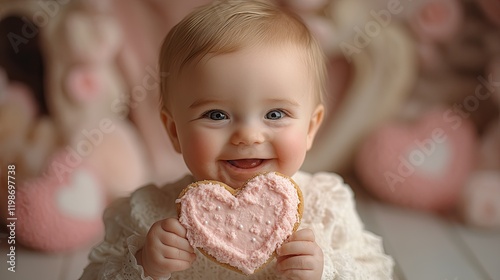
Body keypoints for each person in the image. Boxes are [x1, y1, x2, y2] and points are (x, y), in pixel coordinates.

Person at [80, 0, 394, 279]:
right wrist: (144, 264)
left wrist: (327, 270)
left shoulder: (325, 205)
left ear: (310, 129)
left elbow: (379, 271)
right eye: (216, 115)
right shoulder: (148, 213)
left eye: (274, 114)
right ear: (175, 131)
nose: (247, 136)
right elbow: (94, 274)